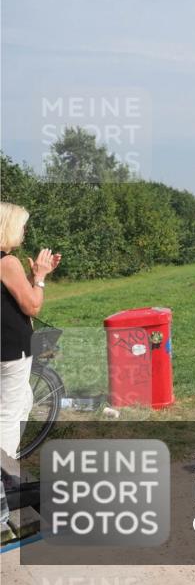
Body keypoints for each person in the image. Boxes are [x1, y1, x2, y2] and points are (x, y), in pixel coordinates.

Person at [1, 202, 61, 529]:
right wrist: (39, 277)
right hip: (10, 351)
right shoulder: (6, 260)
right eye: (21, 226)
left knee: (22, 400)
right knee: (9, 415)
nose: (23, 232)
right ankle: (5, 484)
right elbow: (32, 306)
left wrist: (27, 278)